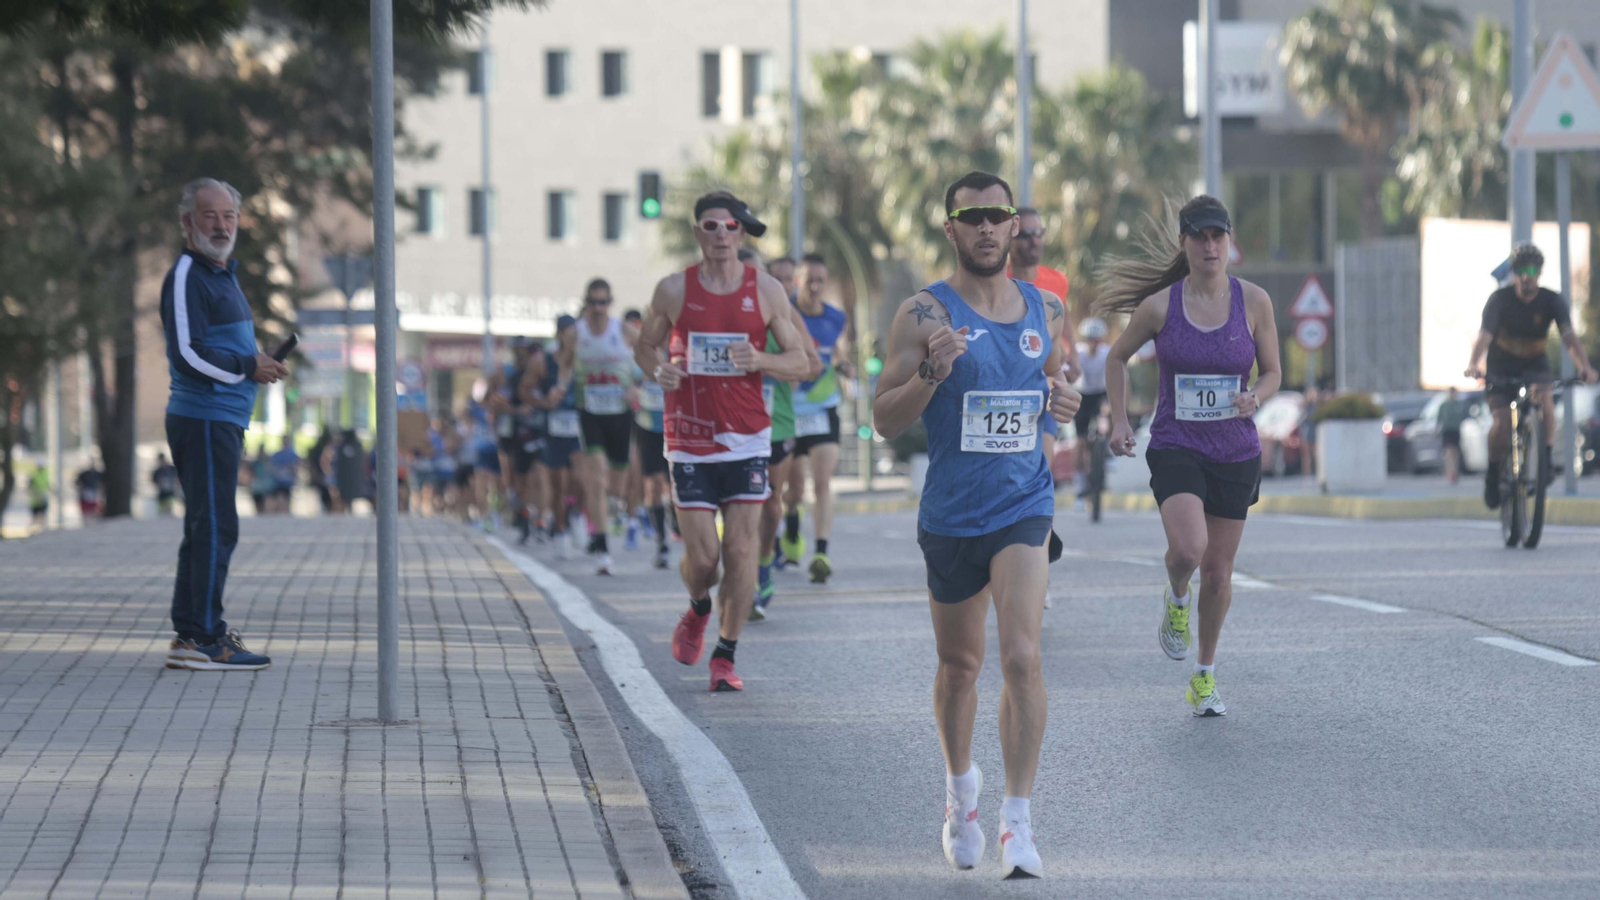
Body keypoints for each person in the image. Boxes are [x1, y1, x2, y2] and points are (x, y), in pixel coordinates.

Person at [872, 171, 1078, 879]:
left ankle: (1017, 824)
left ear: (1015, 223)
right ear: (951, 228)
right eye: (974, 217)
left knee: (1022, 656)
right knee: (960, 667)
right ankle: (962, 790)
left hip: (1024, 503)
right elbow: (882, 418)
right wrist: (930, 373)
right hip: (953, 513)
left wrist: (1064, 404)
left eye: (1000, 215)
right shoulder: (923, 314)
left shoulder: (1046, 308)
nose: (990, 228)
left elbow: (1051, 392)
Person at [1098, 194, 1281, 718]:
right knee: (1188, 550)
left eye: (1217, 236)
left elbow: (1272, 371)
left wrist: (1257, 397)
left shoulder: (1255, 302)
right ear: (1185, 242)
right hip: (1178, 444)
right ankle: (1176, 595)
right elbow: (1116, 357)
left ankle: (1203, 675)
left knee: (1220, 574)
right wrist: (1119, 418)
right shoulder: (1161, 306)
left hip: (1235, 449)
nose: (1209, 245)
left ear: (1229, 241)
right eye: (1198, 236)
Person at [633, 190, 810, 692]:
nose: (719, 235)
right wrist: (659, 370)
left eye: (729, 227)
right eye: (709, 226)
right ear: (697, 233)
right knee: (705, 560)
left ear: (741, 234)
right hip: (689, 438)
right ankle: (697, 606)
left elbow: (801, 362)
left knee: (740, 548)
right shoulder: (673, 289)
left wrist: (763, 361)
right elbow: (644, 346)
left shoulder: (768, 291)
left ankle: (726, 655)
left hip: (749, 439)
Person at [159, 177, 282, 671]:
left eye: (229, 216)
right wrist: (248, 366)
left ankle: (192, 632)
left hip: (222, 420)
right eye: (210, 215)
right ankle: (203, 640)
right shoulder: (188, 273)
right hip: (203, 419)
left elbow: (220, 348)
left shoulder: (221, 273)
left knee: (207, 526)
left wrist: (257, 362)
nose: (221, 224)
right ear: (188, 222)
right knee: (214, 525)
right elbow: (186, 355)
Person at [1465, 242, 1597, 505]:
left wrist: (1585, 367)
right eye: (1521, 270)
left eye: (1532, 269)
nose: (1527, 276)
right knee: (1502, 425)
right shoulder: (1499, 300)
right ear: (1514, 273)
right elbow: (1485, 337)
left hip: (1535, 363)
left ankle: (1545, 460)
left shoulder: (1552, 300)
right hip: (1501, 365)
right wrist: (1474, 364)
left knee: (1546, 400)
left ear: (1539, 272)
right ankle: (1493, 475)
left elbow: (1569, 337)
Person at [753, 262, 823, 618]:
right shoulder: (723, 308)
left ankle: (763, 562)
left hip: (775, 422)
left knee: (769, 503)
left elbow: (812, 365)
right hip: (729, 425)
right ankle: (739, 566)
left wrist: (765, 364)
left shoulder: (785, 313)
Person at [780, 254, 852, 585]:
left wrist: (843, 366)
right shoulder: (784, 312)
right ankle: (791, 524)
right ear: (797, 281)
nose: (815, 286)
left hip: (823, 408)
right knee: (793, 490)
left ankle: (821, 552)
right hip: (790, 411)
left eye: (821, 279)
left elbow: (836, 352)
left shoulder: (836, 317)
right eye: (809, 279)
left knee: (822, 482)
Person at [573, 278, 637, 574]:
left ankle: (612, 505)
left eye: (603, 302)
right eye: (593, 302)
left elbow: (650, 356)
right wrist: (559, 387)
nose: (598, 309)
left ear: (610, 303)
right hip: (591, 412)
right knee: (596, 478)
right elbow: (561, 363)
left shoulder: (621, 330)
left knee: (616, 483)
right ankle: (603, 548)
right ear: (586, 303)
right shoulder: (577, 333)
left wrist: (637, 384)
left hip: (620, 413)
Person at [539, 316, 583, 555]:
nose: (570, 336)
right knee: (559, 484)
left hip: (580, 428)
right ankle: (560, 530)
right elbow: (525, 388)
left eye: (573, 331)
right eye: (566, 331)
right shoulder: (545, 361)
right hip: (555, 429)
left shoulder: (585, 358)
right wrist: (542, 401)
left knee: (581, 481)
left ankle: (575, 513)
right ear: (559, 334)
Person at [1072, 317, 1111, 504]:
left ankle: (1106, 449)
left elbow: (1117, 379)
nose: (1093, 344)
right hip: (1082, 396)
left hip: (1101, 394)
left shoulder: (1107, 353)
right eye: (1089, 339)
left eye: (1096, 340)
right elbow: (1068, 376)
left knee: (1107, 416)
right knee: (1080, 443)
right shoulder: (1077, 353)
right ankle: (1081, 486)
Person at [335, 429, 368, 514]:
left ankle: (346, 509)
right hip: (354, 477)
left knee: (346, 494)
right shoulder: (357, 446)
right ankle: (347, 509)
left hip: (345, 477)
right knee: (348, 494)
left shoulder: (342, 447)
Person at [1438, 386, 1466, 485]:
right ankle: (1450, 473)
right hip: (1447, 430)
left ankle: (1455, 471)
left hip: (1456, 430)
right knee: (1448, 452)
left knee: (1456, 452)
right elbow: (1439, 419)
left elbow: (1463, 417)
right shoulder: (1444, 405)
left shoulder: (1459, 405)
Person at [270, 440, 300, 514]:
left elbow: (297, 464)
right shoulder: (278, 454)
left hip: (286, 481)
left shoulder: (290, 454)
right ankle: (283, 511)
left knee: (285, 498)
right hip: (280, 480)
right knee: (281, 497)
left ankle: (284, 511)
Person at [1299, 386, 1321, 478]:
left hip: (1314, 433)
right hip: (1307, 433)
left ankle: (1316, 472)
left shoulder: (1316, 407)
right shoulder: (1305, 407)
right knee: (1307, 456)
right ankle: (1307, 474)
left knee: (1315, 454)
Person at [28, 463, 49, 530]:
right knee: (40, 514)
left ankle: (37, 527)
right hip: (39, 497)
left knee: (38, 514)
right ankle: (39, 527)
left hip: (37, 498)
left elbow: (29, 486)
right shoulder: (44, 474)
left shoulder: (34, 474)